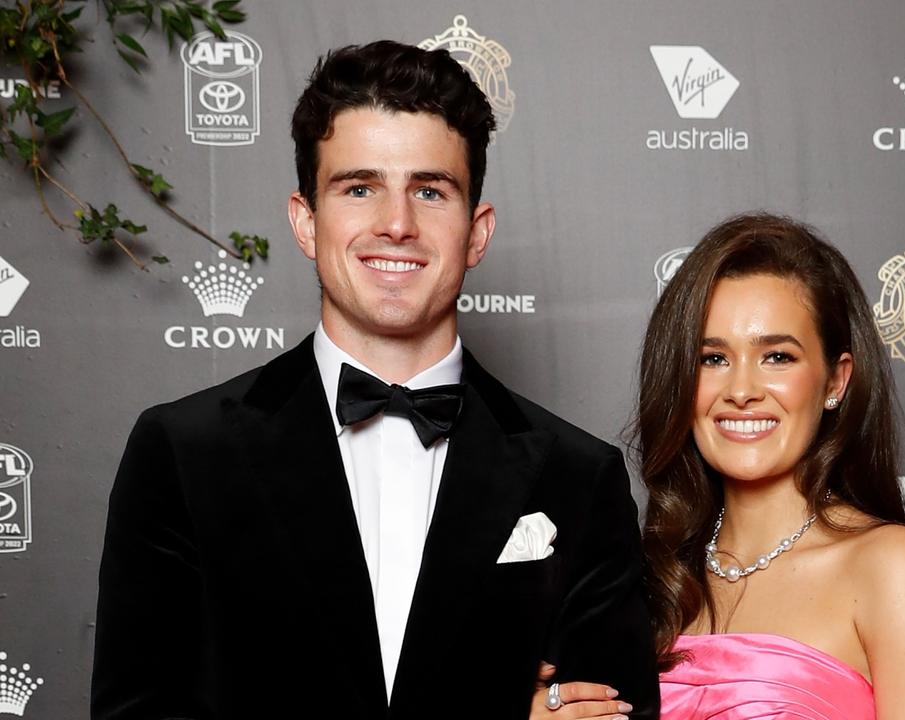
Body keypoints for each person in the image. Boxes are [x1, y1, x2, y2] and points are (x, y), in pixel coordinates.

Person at [92, 41, 657, 720]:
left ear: (477, 233)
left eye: (430, 190)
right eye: (359, 188)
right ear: (306, 220)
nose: (397, 224)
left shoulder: (579, 477)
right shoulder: (182, 452)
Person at [536, 212, 905, 719]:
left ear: (835, 381)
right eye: (712, 359)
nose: (741, 391)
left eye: (777, 357)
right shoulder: (642, 573)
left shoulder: (892, 566)